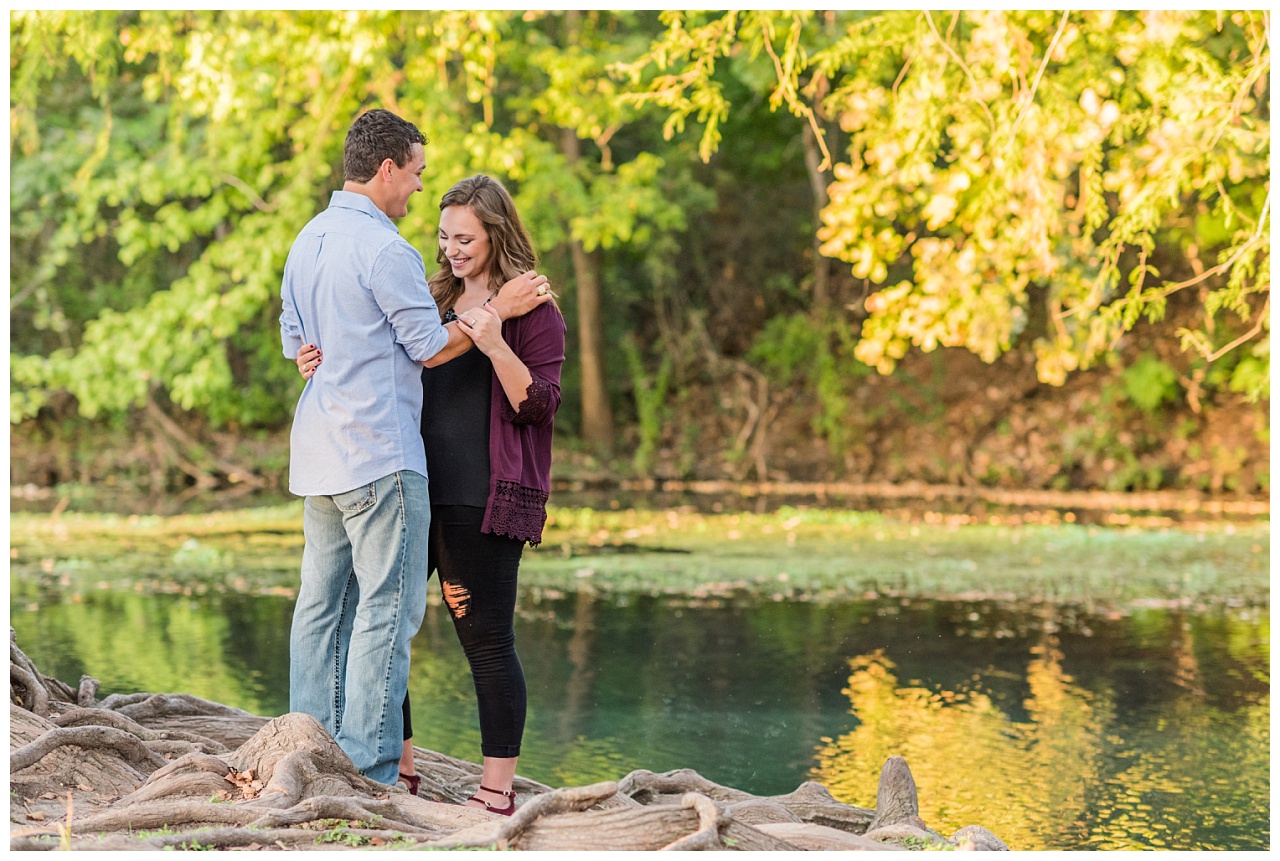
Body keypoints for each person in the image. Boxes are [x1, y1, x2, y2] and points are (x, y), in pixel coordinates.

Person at [279, 110, 551, 788]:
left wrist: (309, 353)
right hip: (378, 455)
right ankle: (371, 771)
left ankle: (306, 749)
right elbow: (429, 347)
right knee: (383, 613)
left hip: (320, 456)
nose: (419, 190)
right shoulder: (387, 250)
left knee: (320, 607)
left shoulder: (309, 237)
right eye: (419, 174)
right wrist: (495, 315)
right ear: (389, 168)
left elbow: (293, 336)